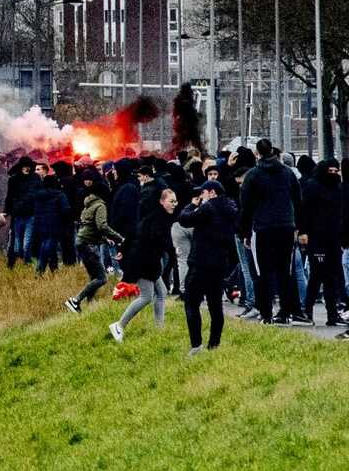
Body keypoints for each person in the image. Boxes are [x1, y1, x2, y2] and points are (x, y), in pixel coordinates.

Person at [239, 138, 308, 324]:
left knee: (263, 272)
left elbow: (246, 207)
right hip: (286, 227)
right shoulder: (287, 173)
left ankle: (266, 313)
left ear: (257, 153)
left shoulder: (253, 175)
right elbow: (298, 201)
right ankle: (285, 312)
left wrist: (244, 232)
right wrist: (300, 227)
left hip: (262, 228)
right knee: (285, 271)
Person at [177, 179, 240, 353]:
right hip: (219, 263)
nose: (201, 196)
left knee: (191, 303)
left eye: (203, 193)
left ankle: (196, 344)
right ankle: (214, 344)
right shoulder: (231, 208)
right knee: (215, 305)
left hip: (200, 263)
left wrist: (191, 205)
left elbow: (184, 219)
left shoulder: (209, 207)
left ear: (212, 193)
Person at [111, 187, 178, 342]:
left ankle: (159, 330)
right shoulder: (158, 219)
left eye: (175, 201)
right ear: (162, 202)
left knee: (161, 292)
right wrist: (173, 249)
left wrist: (123, 249)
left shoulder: (155, 216)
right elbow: (158, 239)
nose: (174, 204)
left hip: (148, 260)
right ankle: (119, 326)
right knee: (146, 297)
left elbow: (134, 232)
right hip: (143, 262)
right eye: (171, 201)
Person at [65, 175, 124, 313]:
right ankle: (75, 301)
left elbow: (91, 227)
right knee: (102, 278)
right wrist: (119, 238)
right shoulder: (100, 205)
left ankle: (90, 305)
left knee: (94, 277)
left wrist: (104, 239)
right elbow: (102, 226)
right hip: (88, 244)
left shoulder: (88, 205)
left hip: (81, 242)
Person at [301, 159, 345, 327]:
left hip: (333, 238)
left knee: (332, 277)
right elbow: (305, 209)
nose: (333, 174)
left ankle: (332, 314)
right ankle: (307, 310)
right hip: (316, 237)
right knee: (317, 275)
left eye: (336, 171)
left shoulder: (337, 188)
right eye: (330, 171)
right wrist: (304, 231)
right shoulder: (312, 186)